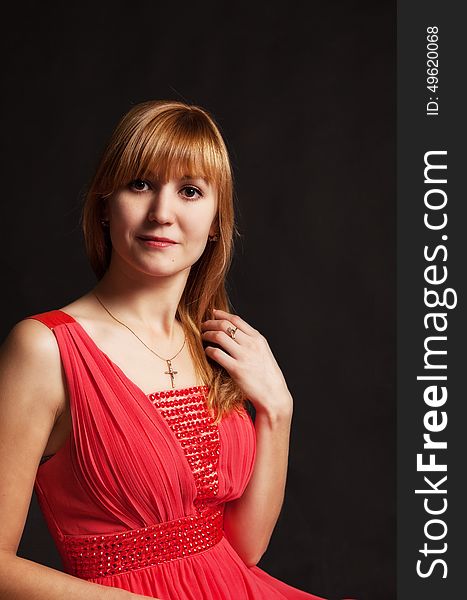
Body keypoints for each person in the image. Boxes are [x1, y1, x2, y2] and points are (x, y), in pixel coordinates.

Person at [0, 100, 326, 599]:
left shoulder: (218, 345)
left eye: (190, 191)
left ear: (216, 220)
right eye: (140, 184)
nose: (162, 213)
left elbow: (243, 551)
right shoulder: (45, 348)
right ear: (105, 206)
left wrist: (278, 412)